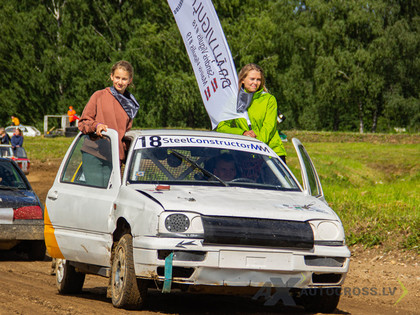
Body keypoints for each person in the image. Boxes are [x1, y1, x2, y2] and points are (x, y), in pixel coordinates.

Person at [78, 60, 139, 186]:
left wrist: (129, 157)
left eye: (124, 79)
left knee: (111, 197)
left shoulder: (131, 105)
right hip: (94, 153)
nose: (120, 82)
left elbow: (125, 135)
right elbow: (83, 122)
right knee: (97, 194)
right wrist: (96, 126)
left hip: (115, 157)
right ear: (111, 76)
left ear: (130, 80)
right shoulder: (99, 96)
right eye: (117, 77)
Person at [217, 63, 287, 163]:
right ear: (242, 80)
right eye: (252, 79)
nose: (255, 82)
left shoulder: (269, 99)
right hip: (245, 154)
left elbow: (269, 127)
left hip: (271, 153)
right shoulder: (233, 101)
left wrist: (256, 144)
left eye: (258, 80)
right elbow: (221, 127)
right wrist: (243, 133)